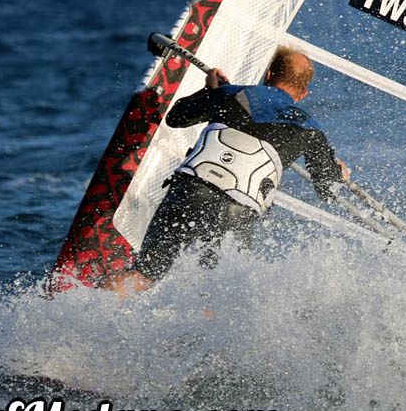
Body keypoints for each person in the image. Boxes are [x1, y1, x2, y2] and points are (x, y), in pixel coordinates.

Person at [105, 46, 350, 296]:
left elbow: (176, 117)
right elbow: (327, 190)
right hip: (237, 211)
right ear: (304, 93)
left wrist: (209, 90)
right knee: (214, 294)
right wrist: (337, 171)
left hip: (191, 191)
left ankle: (94, 315)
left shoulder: (229, 93)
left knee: (144, 273)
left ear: (268, 74)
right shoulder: (311, 129)